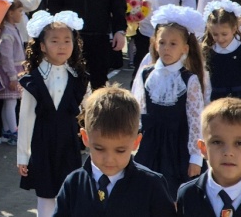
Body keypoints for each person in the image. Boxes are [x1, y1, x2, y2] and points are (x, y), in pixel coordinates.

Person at [54, 87, 176, 217]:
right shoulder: (74, 184)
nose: (109, 159)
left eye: (120, 150)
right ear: (85, 138)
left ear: (136, 142)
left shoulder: (152, 185)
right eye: (99, 149)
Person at [17, 10, 88, 217]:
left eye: (67, 41)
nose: (62, 46)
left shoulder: (80, 78)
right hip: (43, 143)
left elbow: (90, 113)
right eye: (55, 41)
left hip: (69, 143)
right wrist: (23, 155)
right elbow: (26, 118)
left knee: (71, 193)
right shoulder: (34, 80)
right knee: (46, 196)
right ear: (42, 46)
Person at [131, 5, 206, 196]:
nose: (166, 48)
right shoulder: (147, 74)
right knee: (145, 193)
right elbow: (138, 109)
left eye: (173, 44)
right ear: (155, 44)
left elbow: (196, 120)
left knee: (173, 196)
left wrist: (195, 158)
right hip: (150, 145)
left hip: (178, 148)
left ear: (185, 48)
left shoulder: (189, 80)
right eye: (162, 42)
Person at [176, 97, 241, 216]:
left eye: (239, 143)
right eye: (217, 142)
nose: (228, 152)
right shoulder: (187, 194)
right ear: (203, 148)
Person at [202, 0, 241, 107]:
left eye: (224, 34)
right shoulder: (210, 53)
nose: (220, 38)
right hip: (218, 101)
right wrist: (207, 104)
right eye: (215, 34)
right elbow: (207, 82)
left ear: (234, 29)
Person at [0, 0, 25, 146]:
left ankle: (7, 130)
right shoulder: (7, 31)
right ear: (10, 13)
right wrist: (12, 76)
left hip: (15, 69)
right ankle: (13, 131)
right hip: (11, 70)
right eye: (19, 11)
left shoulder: (12, 28)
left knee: (9, 101)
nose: (22, 14)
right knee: (10, 102)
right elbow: (6, 56)